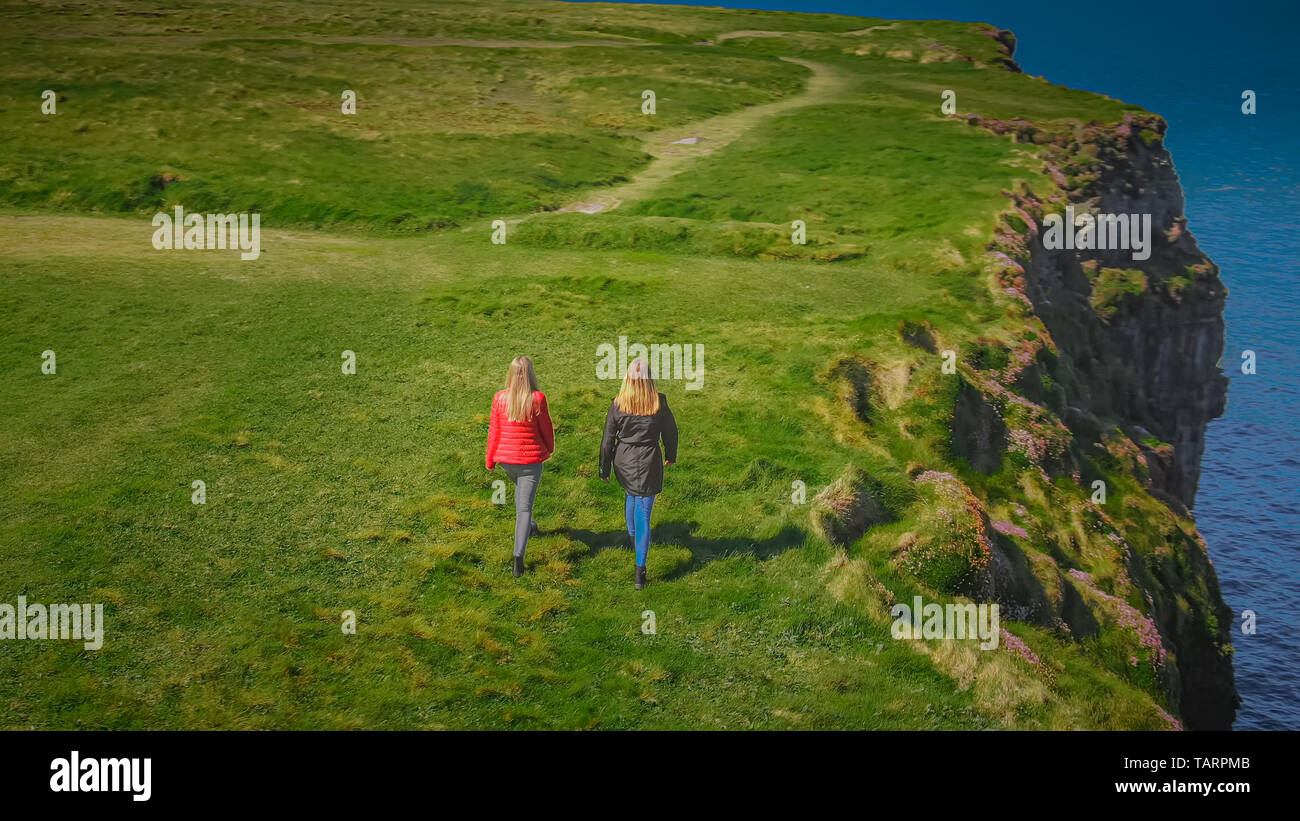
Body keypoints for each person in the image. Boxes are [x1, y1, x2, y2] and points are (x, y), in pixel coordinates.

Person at [599, 358, 678, 590]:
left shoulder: (618, 403)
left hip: (623, 460)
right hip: (649, 459)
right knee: (643, 512)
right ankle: (639, 571)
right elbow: (671, 432)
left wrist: (604, 468)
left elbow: (607, 441)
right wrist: (671, 455)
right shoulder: (659, 402)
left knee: (631, 496)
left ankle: (635, 542)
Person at [486, 356, 554, 577]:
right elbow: (546, 429)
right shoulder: (537, 399)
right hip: (529, 462)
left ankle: (531, 527)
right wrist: (549, 448)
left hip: (506, 462)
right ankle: (518, 559)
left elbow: (494, 432)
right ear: (531, 374)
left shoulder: (499, 398)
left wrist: (490, 459)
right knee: (523, 509)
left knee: (521, 495)